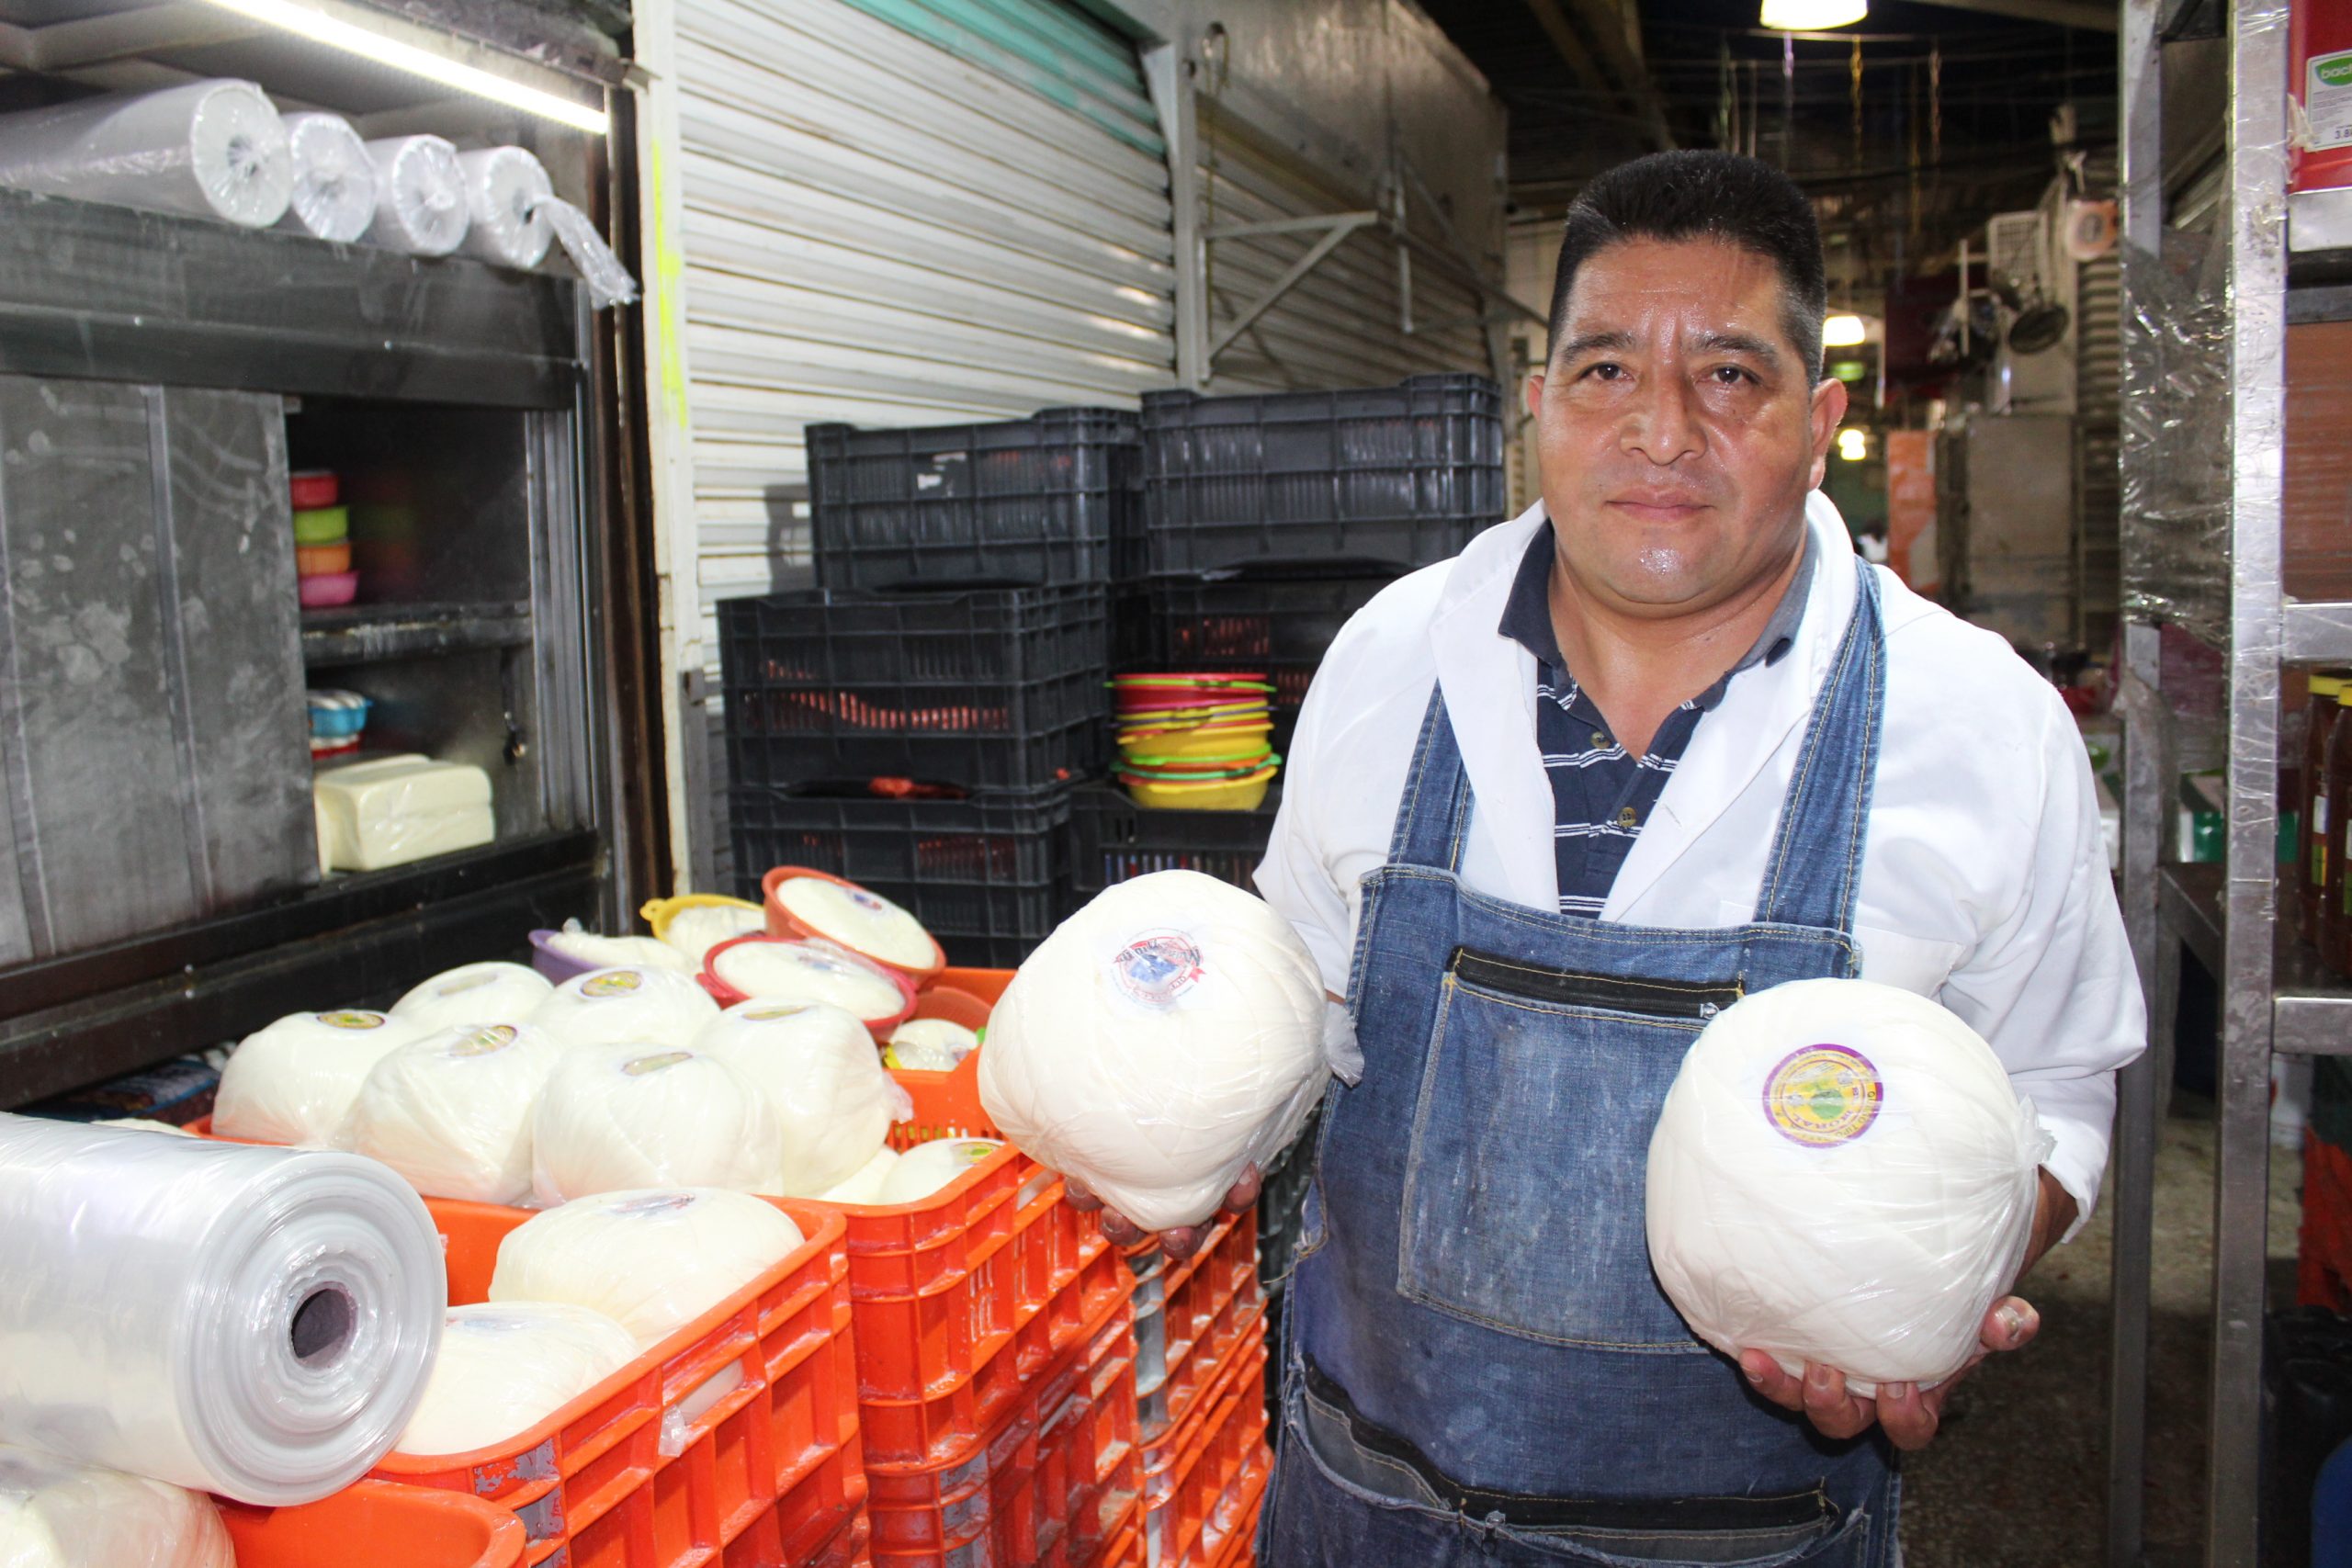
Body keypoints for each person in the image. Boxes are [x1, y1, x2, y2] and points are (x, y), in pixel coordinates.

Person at [1073, 150, 2143, 1565]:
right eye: (1605, 371)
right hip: (1365, 1506)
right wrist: (1186, 1126)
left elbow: (2055, 1083)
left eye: (1730, 376)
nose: (1660, 431)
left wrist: (1941, 1279)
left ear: (1822, 421)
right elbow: (1307, 997)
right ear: (1539, 404)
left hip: (1755, 1536)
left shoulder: (1979, 725)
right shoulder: (1392, 661)